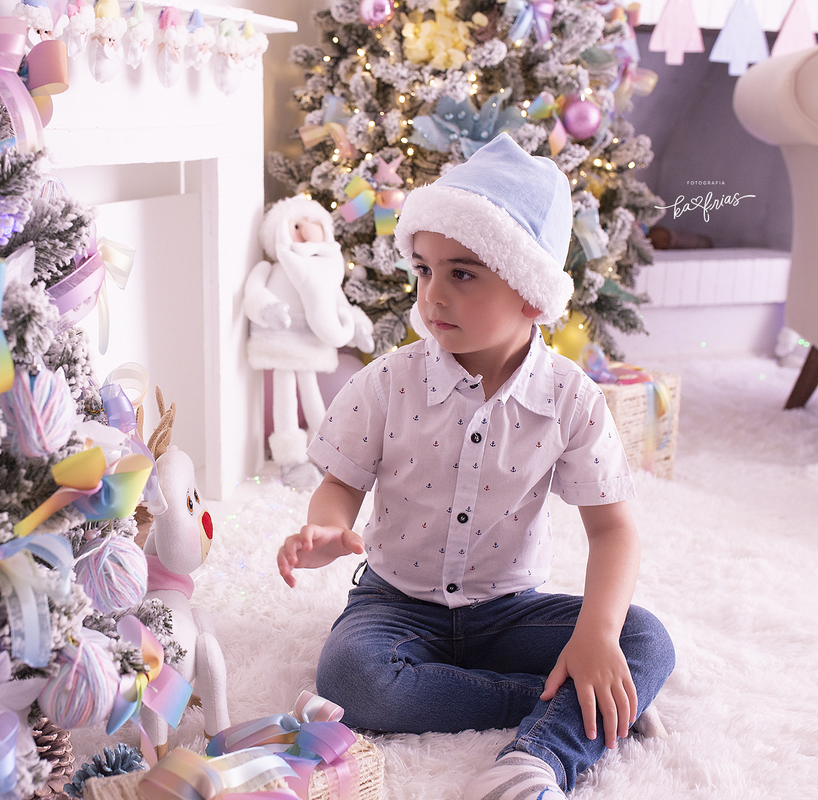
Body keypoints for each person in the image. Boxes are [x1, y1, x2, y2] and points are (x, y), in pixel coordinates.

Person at [275, 133, 675, 800]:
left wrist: (598, 637)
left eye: (462, 273)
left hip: (508, 610)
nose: (433, 295)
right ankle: (569, 707)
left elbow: (614, 531)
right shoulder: (388, 382)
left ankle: (540, 758)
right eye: (425, 270)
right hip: (395, 603)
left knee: (645, 639)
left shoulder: (571, 398)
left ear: (531, 293)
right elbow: (341, 483)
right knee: (352, 681)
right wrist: (326, 527)